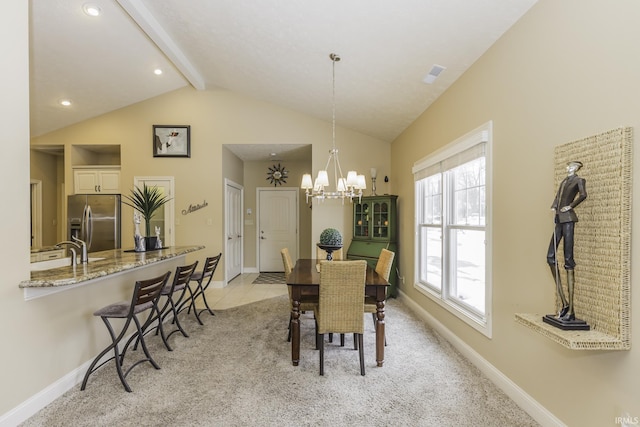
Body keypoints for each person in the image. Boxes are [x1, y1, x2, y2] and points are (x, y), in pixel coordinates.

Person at [546, 160, 587, 321]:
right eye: (568, 166)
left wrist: (571, 206)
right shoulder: (564, 181)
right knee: (550, 257)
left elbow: (583, 195)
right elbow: (558, 197)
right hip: (558, 219)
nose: (568, 168)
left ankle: (571, 310)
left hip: (568, 219)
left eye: (572, 166)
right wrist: (554, 206)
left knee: (568, 259)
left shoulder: (579, 180)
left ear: (577, 168)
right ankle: (564, 302)